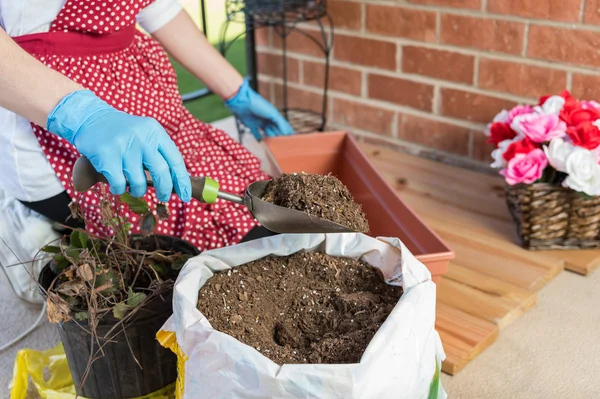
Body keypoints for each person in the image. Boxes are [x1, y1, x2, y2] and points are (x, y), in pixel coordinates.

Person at [0, 0, 292, 251]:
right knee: (170, 246)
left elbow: (154, 5)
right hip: (45, 107)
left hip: (137, 92)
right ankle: (41, 225)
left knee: (248, 199)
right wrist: (81, 116)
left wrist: (236, 91)